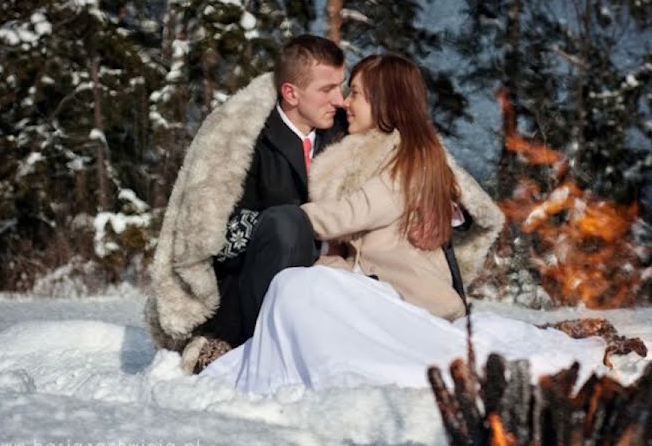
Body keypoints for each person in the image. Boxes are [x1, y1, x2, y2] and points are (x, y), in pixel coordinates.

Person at [202, 54, 606, 393]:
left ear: (385, 102)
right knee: (300, 287)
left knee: (298, 287)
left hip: (413, 304)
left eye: (355, 93)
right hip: (386, 292)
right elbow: (362, 248)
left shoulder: (407, 162)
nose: (346, 103)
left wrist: (274, 223)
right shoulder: (404, 154)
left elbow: (351, 212)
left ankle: (266, 361)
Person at [145, 35, 349, 373]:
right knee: (287, 223)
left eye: (341, 86)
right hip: (252, 284)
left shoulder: (344, 131)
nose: (339, 100)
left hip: (335, 275)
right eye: (327, 89)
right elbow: (211, 230)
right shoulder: (245, 139)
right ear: (291, 93)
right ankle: (241, 343)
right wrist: (307, 223)